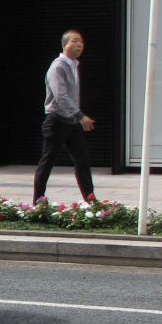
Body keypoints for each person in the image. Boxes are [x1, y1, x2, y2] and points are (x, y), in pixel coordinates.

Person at [34, 29, 96, 201]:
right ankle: (38, 200)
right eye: (74, 41)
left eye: (81, 42)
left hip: (71, 123)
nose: (79, 45)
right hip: (56, 121)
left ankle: (90, 200)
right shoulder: (58, 66)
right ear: (64, 44)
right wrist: (80, 115)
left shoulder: (74, 65)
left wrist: (76, 117)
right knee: (47, 161)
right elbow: (61, 96)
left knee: (82, 159)